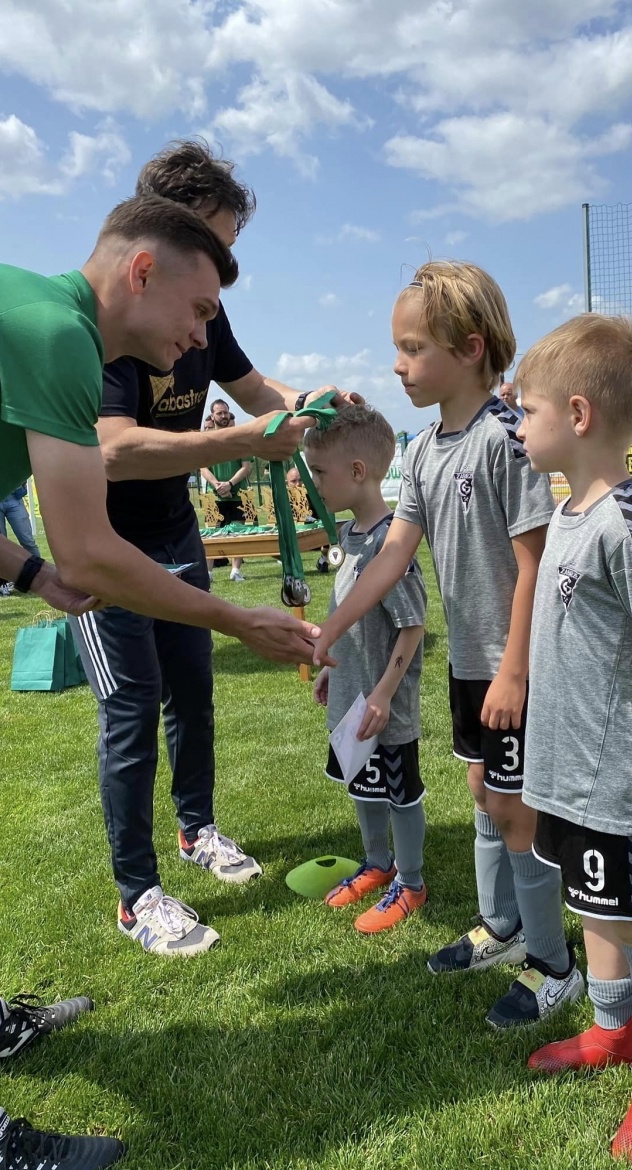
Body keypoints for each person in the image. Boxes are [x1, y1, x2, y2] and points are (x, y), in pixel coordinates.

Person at [0, 193, 326, 1170]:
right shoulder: (58, 334)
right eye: (196, 310)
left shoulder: (28, 319)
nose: (202, 338)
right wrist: (241, 619)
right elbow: (95, 549)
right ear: (140, 271)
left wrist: (21, 575)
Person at [70, 140, 360, 959]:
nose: (223, 275)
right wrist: (237, 443)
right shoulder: (101, 324)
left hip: (175, 533)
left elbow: (258, 395)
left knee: (191, 695)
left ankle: (197, 830)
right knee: (130, 713)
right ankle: (137, 894)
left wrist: (313, 404)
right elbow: (113, 448)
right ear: (157, 246)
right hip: (108, 544)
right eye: (217, 248)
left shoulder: (206, 310)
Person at [313, 260, 581, 1028]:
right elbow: (393, 553)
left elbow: (534, 562)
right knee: (482, 797)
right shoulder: (427, 450)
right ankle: (500, 926)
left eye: (411, 347)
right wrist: (332, 628)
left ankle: (553, 963)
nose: (396, 365)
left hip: (512, 665)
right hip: (470, 665)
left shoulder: (507, 440)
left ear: (468, 348)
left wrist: (515, 671)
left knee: (516, 810)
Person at [513, 314, 632, 1168]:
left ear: (579, 414)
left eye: (527, 411)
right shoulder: (569, 512)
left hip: (616, 776)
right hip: (567, 774)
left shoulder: (629, 524)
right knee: (595, 907)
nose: (520, 427)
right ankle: (612, 1030)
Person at [307, 407, 428, 932]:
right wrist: (337, 668)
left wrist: (382, 693)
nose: (313, 483)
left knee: (400, 795)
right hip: (350, 699)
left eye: (319, 472)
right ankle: (378, 864)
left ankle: (412, 880)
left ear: (358, 472)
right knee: (363, 787)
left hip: (384, 708)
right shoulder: (349, 534)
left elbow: (412, 626)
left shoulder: (390, 543)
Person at [200, 399, 253, 578]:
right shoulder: (206, 440)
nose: (223, 416)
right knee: (211, 534)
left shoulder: (240, 439)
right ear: (212, 415)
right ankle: (208, 573)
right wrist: (217, 485)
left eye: (225, 412)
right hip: (213, 496)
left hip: (239, 494)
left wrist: (229, 484)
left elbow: (247, 467)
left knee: (238, 534)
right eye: (219, 413)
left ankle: (235, 571)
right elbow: (203, 467)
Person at [0, 483, 42, 596]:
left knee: (27, 541)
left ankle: (40, 575)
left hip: (14, 497)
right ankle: (5, 582)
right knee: (0, 544)